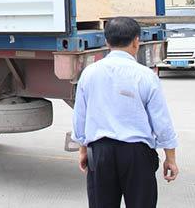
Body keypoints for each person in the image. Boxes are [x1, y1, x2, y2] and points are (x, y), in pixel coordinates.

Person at [72, 17, 179, 208]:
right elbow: (161, 121)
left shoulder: (89, 73)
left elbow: (80, 116)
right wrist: (170, 158)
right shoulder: (146, 76)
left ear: (107, 42)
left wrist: (83, 150)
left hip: (101, 153)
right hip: (137, 155)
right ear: (136, 41)